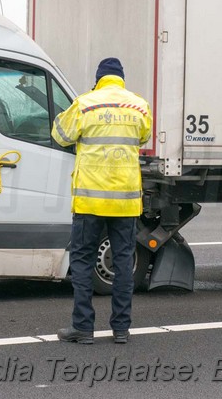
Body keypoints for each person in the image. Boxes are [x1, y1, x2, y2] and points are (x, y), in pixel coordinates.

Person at [52, 57, 152, 344]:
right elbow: (143, 136)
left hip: (90, 201)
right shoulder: (140, 106)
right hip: (125, 202)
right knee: (123, 264)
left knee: (82, 261)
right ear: (122, 79)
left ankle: (82, 328)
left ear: (98, 79)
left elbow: (60, 135)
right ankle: (121, 329)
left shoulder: (85, 103)